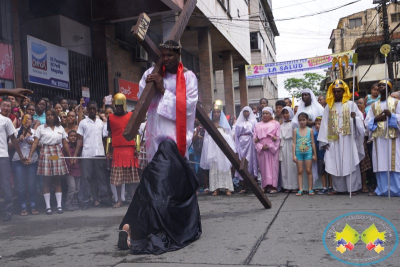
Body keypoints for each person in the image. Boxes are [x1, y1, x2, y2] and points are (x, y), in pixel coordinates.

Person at [119, 40, 201, 255]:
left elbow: (188, 106)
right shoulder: (151, 71)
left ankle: (136, 227)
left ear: (179, 54)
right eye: (163, 55)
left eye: (170, 56)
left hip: (174, 141)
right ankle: (132, 227)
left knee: (159, 186)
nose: (166, 59)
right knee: (156, 185)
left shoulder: (189, 77)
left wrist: (163, 89)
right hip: (155, 139)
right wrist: (148, 84)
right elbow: (141, 98)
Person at [318, 79, 365, 195]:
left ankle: (352, 188)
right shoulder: (329, 107)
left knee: (349, 161)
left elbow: (360, 121)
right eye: (335, 91)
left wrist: (355, 118)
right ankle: (338, 188)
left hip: (348, 138)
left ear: (344, 91)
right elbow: (324, 124)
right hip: (333, 139)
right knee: (335, 162)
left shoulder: (351, 104)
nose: (337, 93)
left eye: (339, 91)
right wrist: (324, 141)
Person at [28, 108, 71, 215]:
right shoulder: (41, 128)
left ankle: (59, 206)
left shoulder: (60, 127)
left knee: (57, 179)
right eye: (48, 115)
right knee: (46, 180)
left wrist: (70, 156)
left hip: (56, 152)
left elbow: (65, 143)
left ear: (55, 116)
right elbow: (35, 142)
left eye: (52, 115)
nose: (50, 117)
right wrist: (30, 156)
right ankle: (48, 206)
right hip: (46, 151)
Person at [365, 79, 400, 196]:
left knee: (394, 162)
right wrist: (376, 119)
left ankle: (396, 189)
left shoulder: (396, 103)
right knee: (380, 163)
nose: (380, 87)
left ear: (389, 87)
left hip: (393, 139)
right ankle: (381, 189)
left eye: (383, 85)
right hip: (379, 139)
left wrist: (392, 116)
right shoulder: (374, 106)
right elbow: (367, 121)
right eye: (379, 86)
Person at [74, 101, 111, 209]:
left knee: (101, 177)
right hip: (87, 154)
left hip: (99, 153)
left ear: (97, 109)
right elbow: (79, 139)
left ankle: (104, 199)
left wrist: (107, 152)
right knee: (86, 178)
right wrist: (76, 154)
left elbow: (105, 139)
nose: (92, 111)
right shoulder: (83, 123)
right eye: (90, 109)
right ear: (87, 109)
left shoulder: (101, 123)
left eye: (94, 109)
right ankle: (85, 201)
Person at [106, 93, 140, 208]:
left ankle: (134, 200)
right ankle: (119, 200)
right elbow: (109, 135)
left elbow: (137, 133)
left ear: (124, 105)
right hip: (117, 150)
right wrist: (108, 151)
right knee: (118, 179)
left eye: (121, 106)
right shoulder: (110, 117)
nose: (119, 108)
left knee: (131, 178)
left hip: (130, 149)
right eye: (117, 106)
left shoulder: (131, 115)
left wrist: (138, 148)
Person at [200, 100, 235, 196]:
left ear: (221, 113)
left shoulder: (225, 124)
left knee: (225, 166)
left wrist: (223, 137)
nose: (216, 114)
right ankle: (215, 188)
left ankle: (227, 188)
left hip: (223, 150)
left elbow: (229, 137)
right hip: (213, 149)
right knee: (214, 167)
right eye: (214, 112)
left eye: (218, 112)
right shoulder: (210, 124)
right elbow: (206, 137)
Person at [292, 89, 325, 189]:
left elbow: (323, 119)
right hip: (303, 137)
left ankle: (318, 186)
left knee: (316, 160)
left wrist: (314, 123)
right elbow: (295, 122)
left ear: (311, 96)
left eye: (307, 95)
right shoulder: (301, 108)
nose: (305, 97)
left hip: (316, 135)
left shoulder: (318, 107)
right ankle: (306, 187)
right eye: (303, 95)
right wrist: (305, 123)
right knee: (304, 164)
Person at [11, 114, 39, 216]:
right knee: (21, 185)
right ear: (21, 120)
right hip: (18, 160)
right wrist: (18, 140)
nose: (27, 121)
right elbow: (9, 145)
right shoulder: (16, 131)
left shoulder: (35, 132)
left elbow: (40, 145)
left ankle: (33, 205)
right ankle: (23, 206)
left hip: (32, 160)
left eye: (30, 119)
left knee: (31, 184)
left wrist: (33, 142)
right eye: (25, 119)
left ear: (32, 121)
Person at [0, 111, 26, 221]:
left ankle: (8, 210)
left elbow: (14, 139)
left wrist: (20, 155)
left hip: (2, 155)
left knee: (5, 184)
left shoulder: (5, 120)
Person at [254, 107, 280, 193]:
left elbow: (278, 137)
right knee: (263, 167)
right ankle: (264, 185)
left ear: (270, 114)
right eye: (263, 113)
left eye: (267, 113)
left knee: (273, 167)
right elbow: (255, 138)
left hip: (272, 149)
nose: (264, 115)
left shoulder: (276, 124)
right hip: (262, 149)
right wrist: (260, 146)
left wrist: (270, 146)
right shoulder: (257, 125)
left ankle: (273, 186)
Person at [234, 106, 258, 194]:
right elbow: (236, 136)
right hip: (241, 144)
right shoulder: (238, 123)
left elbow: (256, 133)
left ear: (250, 112)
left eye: (247, 112)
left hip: (250, 143)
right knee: (242, 163)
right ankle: (244, 185)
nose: (246, 113)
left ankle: (253, 185)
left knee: (251, 162)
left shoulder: (254, 122)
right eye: (244, 112)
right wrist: (236, 148)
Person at [293, 112, 317, 196]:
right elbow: (294, 143)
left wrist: (315, 154)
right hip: (299, 153)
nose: (302, 122)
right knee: (300, 171)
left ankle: (310, 189)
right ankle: (300, 189)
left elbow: (313, 143)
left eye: (303, 120)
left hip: (308, 153)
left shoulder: (310, 130)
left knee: (308, 170)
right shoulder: (296, 130)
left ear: (307, 120)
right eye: (300, 120)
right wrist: (294, 155)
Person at [279, 107, 298, 193]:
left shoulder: (294, 124)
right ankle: (286, 185)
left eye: (287, 113)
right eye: (284, 113)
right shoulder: (281, 125)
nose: (285, 115)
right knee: (285, 166)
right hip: (284, 146)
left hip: (292, 144)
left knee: (293, 165)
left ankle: (295, 185)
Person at [62, 130, 81, 211]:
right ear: (67, 137)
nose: (73, 137)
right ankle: (68, 203)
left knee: (77, 188)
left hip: (78, 170)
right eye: (71, 136)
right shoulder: (65, 147)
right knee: (72, 188)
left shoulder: (79, 146)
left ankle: (75, 202)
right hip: (69, 170)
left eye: (74, 136)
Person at [357, 98, 373, 193]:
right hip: (355, 139)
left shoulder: (366, 113)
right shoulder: (354, 113)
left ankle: (364, 184)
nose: (359, 104)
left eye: (361, 103)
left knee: (364, 162)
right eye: (358, 103)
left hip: (364, 139)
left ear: (365, 104)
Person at [314, 116, 333, 195]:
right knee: (322, 172)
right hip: (320, 156)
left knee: (330, 171)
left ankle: (331, 186)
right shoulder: (315, 135)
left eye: (319, 123)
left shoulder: (328, 134)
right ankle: (324, 187)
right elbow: (314, 145)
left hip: (328, 155)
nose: (317, 125)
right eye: (316, 124)